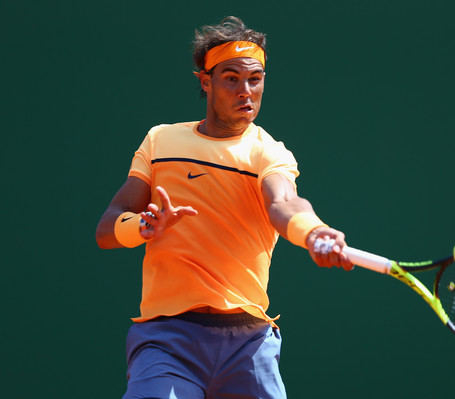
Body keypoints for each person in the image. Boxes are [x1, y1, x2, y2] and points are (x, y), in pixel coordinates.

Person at [96, 16, 353, 399]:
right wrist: (142, 227)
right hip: (168, 340)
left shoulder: (269, 152)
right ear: (206, 81)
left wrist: (313, 232)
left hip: (248, 345)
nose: (245, 90)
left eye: (255, 79)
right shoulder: (160, 141)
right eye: (231, 78)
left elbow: (283, 202)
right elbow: (107, 228)